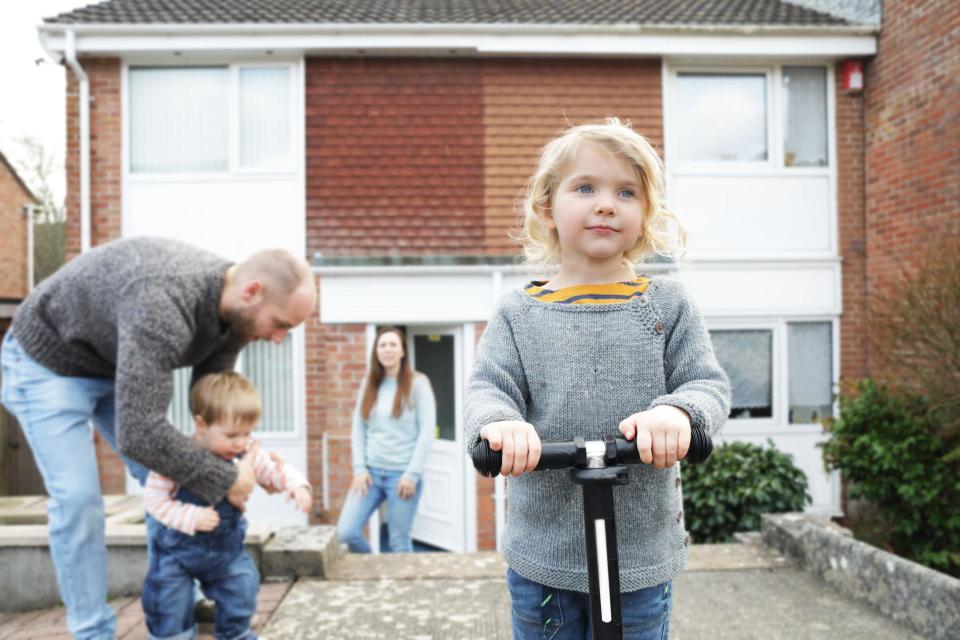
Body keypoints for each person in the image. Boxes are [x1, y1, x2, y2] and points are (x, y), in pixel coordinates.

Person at [464, 118, 731, 640]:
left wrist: (677, 413)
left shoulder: (667, 305)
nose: (605, 204)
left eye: (626, 192)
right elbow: (487, 388)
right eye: (585, 187)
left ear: (646, 214)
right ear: (547, 208)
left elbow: (706, 382)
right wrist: (501, 425)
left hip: (640, 552)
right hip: (544, 554)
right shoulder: (520, 313)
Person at [0, 236, 316, 640]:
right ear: (252, 292)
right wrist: (227, 480)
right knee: (78, 498)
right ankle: (92, 630)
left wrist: (245, 461)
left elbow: (210, 416)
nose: (278, 339)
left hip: (113, 363)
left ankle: (173, 597)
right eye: (281, 325)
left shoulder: (235, 314)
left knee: (177, 470)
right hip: (47, 360)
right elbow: (140, 432)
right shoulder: (162, 301)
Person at [141, 371, 311, 640]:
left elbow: (273, 469)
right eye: (232, 435)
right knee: (166, 601)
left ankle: (235, 634)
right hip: (177, 551)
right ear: (202, 424)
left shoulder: (243, 452)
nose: (241, 442)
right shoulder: (176, 457)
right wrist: (190, 516)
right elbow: (153, 500)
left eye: (247, 433)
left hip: (224, 550)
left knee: (243, 586)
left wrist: (296, 485)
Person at [337, 326, 436, 553]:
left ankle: (405, 589)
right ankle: (373, 568)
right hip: (369, 474)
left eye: (393, 345)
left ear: (402, 351)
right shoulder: (369, 383)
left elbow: (427, 432)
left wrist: (412, 474)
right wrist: (359, 469)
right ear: (376, 351)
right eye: (382, 345)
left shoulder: (418, 383)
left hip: (402, 476)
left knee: (398, 543)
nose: (387, 350)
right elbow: (358, 428)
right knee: (345, 532)